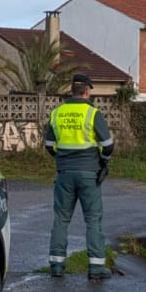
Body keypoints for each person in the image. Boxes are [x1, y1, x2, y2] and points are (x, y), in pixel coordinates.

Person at [44, 72, 114, 279]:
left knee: (61, 219)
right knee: (93, 219)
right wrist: (103, 162)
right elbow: (108, 146)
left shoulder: (57, 113)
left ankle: (56, 266)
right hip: (89, 173)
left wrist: (63, 158)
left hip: (64, 172)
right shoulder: (92, 113)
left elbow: (49, 145)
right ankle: (96, 268)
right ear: (86, 91)